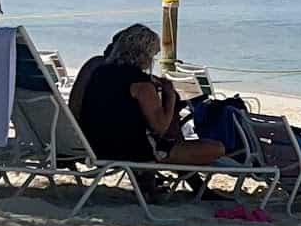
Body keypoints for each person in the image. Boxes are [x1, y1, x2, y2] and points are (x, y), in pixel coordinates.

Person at [73, 23, 228, 166]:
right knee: (217, 148)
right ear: (145, 54)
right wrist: (170, 96)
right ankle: (192, 184)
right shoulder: (140, 84)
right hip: (129, 151)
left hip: (96, 145)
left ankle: (152, 188)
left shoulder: (99, 73)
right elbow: (160, 127)